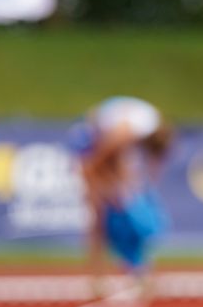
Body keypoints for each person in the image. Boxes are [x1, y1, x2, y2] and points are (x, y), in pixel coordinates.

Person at [71, 96, 175, 292]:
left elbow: (152, 166)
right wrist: (96, 178)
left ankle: (136, 269)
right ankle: (97, 277)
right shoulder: (130, 131)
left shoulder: (149, 125)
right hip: (90, 146)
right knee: (98, 214)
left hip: (106, 145)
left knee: (128, 210)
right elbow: (99, 158)